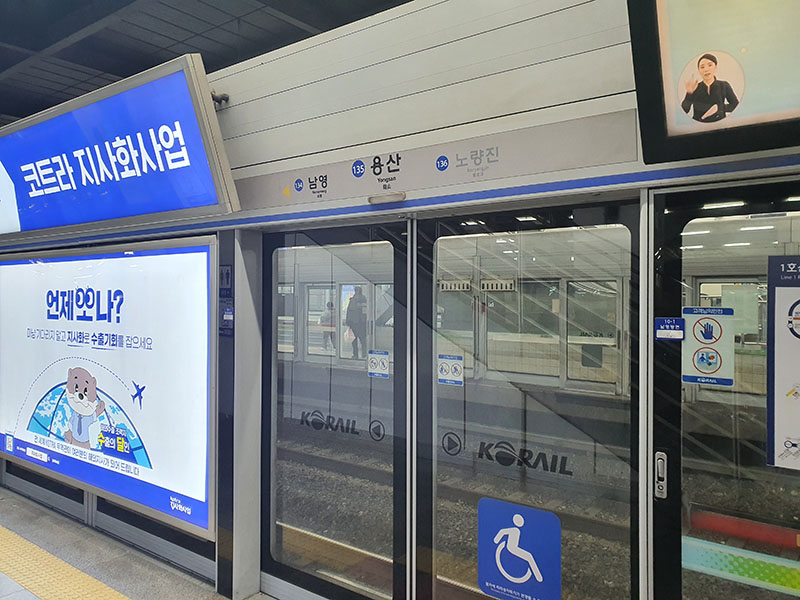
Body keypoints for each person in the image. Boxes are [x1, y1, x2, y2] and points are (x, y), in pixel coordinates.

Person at [681, 53, 739, 123]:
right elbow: (685, 110)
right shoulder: (694, 87)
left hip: (720, 124)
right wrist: (689, 93)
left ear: (715, 67)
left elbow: (735, 105)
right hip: (699, 125)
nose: (706, 69)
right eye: (702, 67)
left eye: (710, 65)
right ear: (699, 70)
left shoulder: (724, 85)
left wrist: (719, 108)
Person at [345, 286, 367, 359]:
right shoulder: (356, 299)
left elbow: (349, 312)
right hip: (358, 323)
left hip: (357, 323)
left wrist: (348, 322)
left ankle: (358, 354)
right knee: (360, 339)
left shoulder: (357, 300)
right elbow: (349, 311)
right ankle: (360, 354)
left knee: (359, 339)